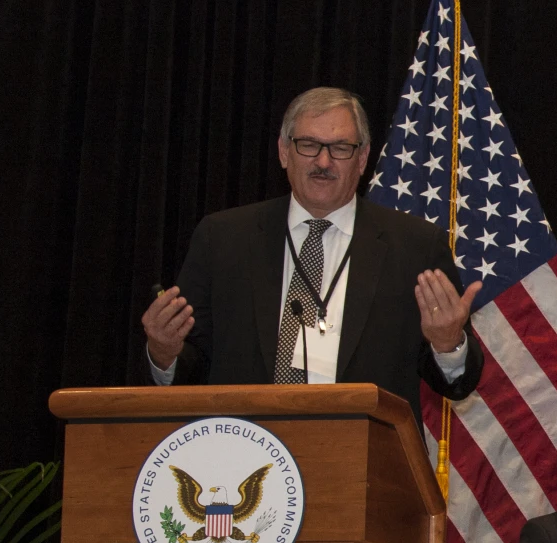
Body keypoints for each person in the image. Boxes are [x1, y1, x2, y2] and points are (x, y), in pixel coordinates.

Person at [139, 87, 485, 416]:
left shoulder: (415, 246)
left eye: (340, 148)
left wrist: (448, 344)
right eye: (308, 145)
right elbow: (190, 367)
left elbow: (455, 385)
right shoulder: (223, 238)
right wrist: (164, 353)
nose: (323, 161)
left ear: (362, 158)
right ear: (283, 151)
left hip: (364, 458)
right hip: (245, 454)